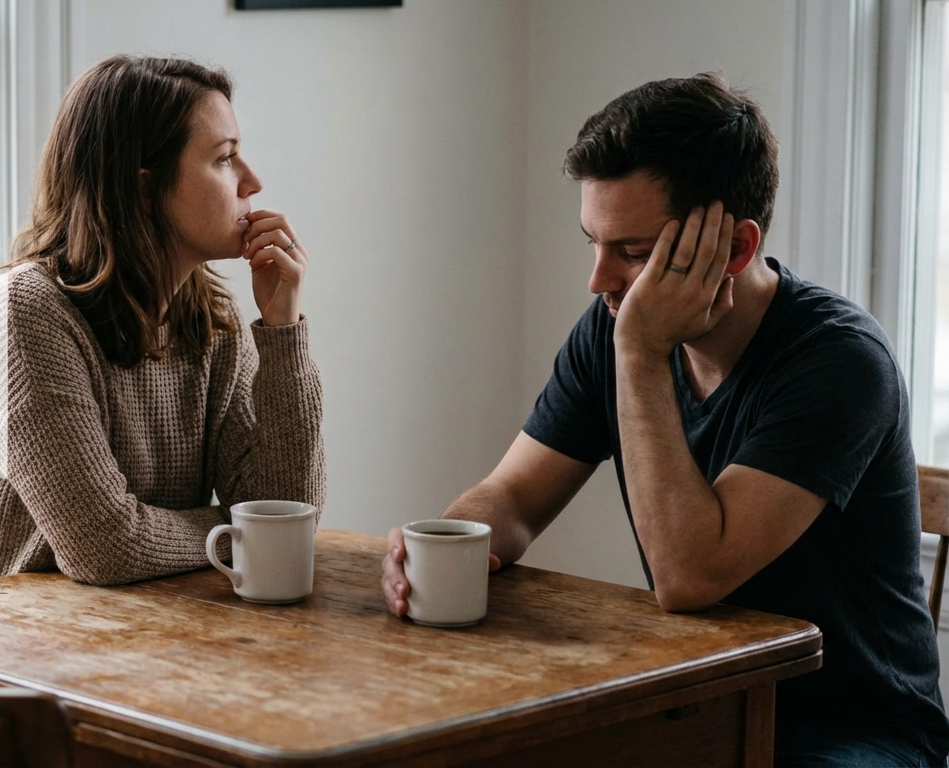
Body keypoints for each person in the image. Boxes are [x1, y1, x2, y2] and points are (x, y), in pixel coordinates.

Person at [381, 73, 949, 765]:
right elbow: (514, 498)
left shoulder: (840, 362)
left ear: (735, 249)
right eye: (593, 242)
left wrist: (643, 352)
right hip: (701, 700)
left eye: (633, 253)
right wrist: (443, 545)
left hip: (853, 733)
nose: (598, 281)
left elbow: (690, 577)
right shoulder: (615, 327)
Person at [0, 55, 325, 589]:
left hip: (128, 635)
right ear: (143, 187)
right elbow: (107, 548)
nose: (252, 181)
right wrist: (236, 529)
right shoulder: (25, 314)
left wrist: (282, 331)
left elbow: (286, 518)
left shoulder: (215, 322)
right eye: (225, 158)